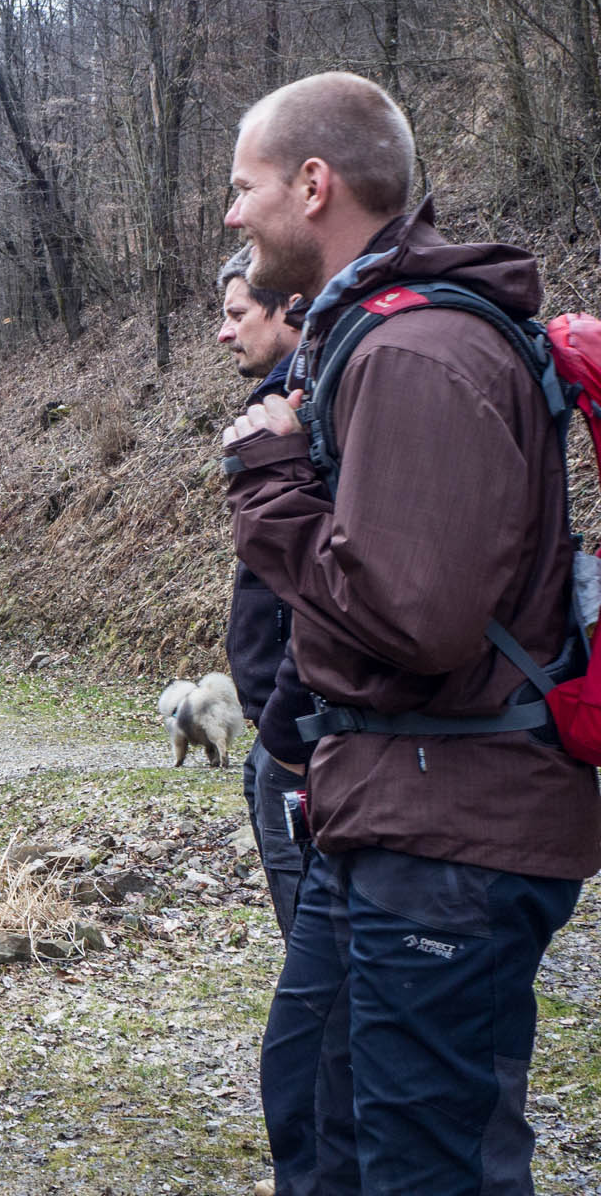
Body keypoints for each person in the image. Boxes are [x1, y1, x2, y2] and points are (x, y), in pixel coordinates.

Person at [220, 70, 601, 1193]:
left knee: (430, 1169)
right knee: (336, 1124)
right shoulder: (378, 339)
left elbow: (417, 617)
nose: (234, 216)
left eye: (244, 189)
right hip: (400, 815)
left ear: (314, 183)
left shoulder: (416, 354)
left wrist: (265, 480)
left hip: (452, 835)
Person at [216, 245, 315, 939]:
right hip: (283, 727)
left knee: (318, 945)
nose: (225, 332)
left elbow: (318, 582)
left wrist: (285, 734)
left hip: (301, 731)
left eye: (237, 313)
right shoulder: (280, 401)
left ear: (289, 310)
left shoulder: (304, 405)